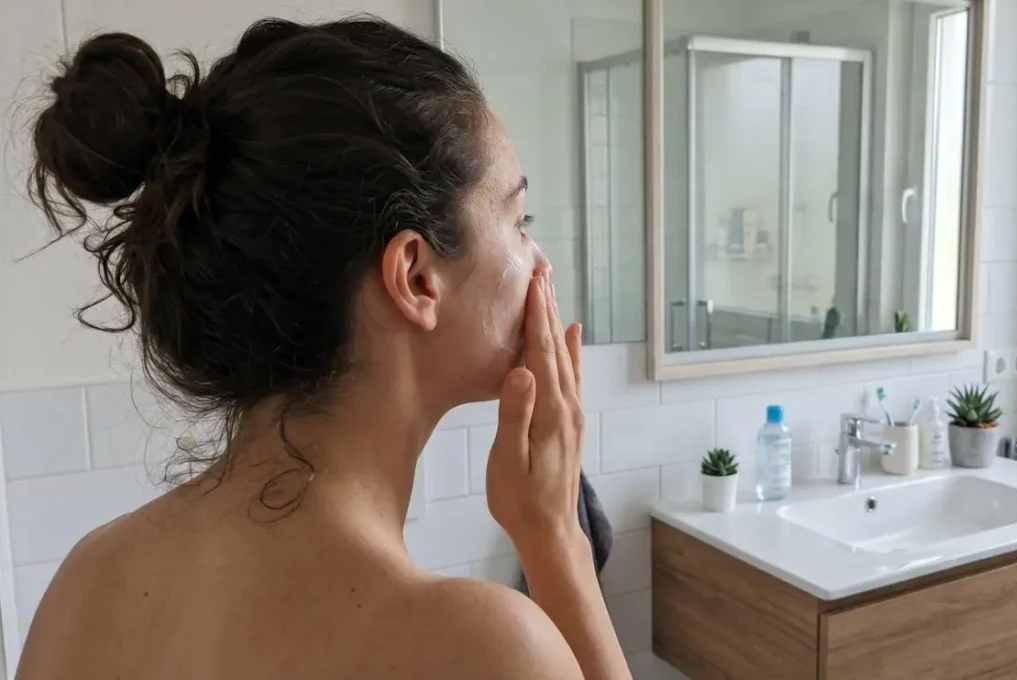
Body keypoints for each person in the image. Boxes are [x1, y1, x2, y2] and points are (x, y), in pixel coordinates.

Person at [16, 17, 631, 680]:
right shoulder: (479, 647)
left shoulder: (87, 583)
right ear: (416, 277)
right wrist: (557, 541)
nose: (540, 262)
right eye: (518, 222)